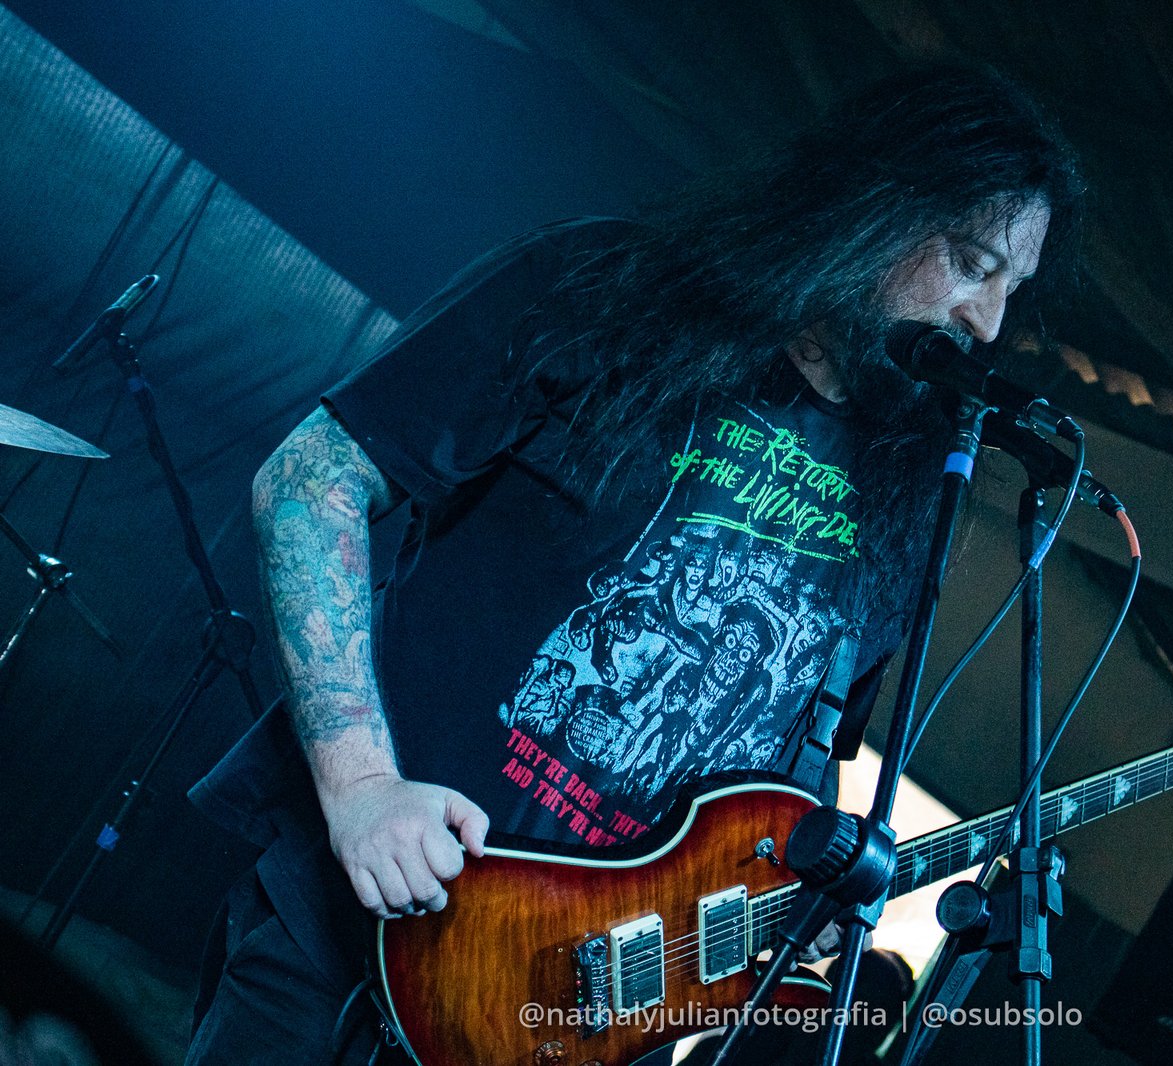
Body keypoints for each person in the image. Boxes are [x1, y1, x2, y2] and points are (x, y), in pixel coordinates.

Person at [183, 64, 1084, 1064]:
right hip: (366, 932)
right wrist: (360, 789)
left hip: (575, 1024)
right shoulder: (608, 289)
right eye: (971, 262)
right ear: (875, 203)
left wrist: (792, 894)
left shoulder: (906, 497)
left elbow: (792, 757)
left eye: (1011, 290)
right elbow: (310, 480)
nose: (986, 322)